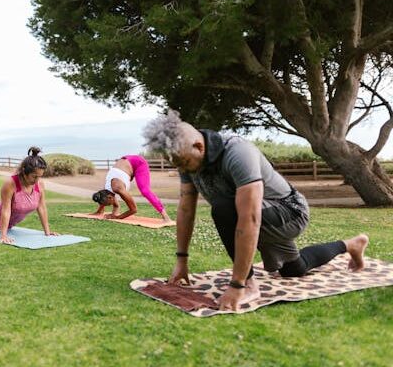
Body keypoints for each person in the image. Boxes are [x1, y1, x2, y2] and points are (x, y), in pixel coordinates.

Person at [146, 112, 369, 311]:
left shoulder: (238, 153)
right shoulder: (188, 160)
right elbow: (186, 208)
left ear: (199, 146)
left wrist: (238, 283)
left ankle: (250, 285)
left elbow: (249, 218)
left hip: (289, 212)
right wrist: (182, 261)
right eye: (177, 164)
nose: (182, 169)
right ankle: (351, 244)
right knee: (294, 269)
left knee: (223, 208)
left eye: (183, 162)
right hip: (262, 215)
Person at [91, 155, 172, 222]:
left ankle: (166, 217)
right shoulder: (104, 191)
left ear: (110, 197)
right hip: (125, 163)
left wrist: (118, 217)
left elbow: (133, 209)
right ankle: (104, 210)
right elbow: (105, 199)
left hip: (138, 163)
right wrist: (100, 211)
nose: (111, 205)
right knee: (112, 200)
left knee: (145, 191)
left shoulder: (119, 189)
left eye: (109, 204)